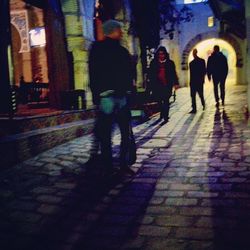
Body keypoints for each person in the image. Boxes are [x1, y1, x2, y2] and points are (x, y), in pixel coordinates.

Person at [88, 19, 134, 176]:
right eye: (119, 30)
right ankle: (122, 164)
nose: (121, 33)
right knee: (123, 132)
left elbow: (93, 73)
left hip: (107, 96)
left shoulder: (97, 49)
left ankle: (109, 166)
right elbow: (129, 74)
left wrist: (97, 95)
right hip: (117, 97)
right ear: (112, 31)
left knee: (106, 133)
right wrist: (128, 92)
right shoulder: (120, 51)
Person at [148, 46, 179, 125]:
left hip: (167, 85)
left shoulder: (170, 63)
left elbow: (173, 74)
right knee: (159, 100)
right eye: (159, 54)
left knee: (166, 100)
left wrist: (176, 83)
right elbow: (150, 75)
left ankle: (165, 117)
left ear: (165, 54)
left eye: (162, 54)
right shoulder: (153, 63)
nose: (161, 56)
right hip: (157, 85)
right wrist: (150, 85)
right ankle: (162, 113)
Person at [189, 48, 206, 113]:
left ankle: (197, 107)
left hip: (195, 81)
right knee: (197, 94)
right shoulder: (201, 61)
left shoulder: (192, 63)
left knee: (195, 95)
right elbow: (204, 71)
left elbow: (204, 71)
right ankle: (200, 105)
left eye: (194, 53)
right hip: (197, 81)